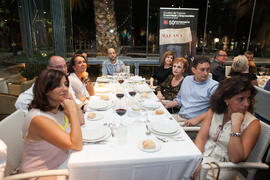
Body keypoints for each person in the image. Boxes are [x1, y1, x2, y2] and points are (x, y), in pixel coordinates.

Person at [192, 76, 260, 180]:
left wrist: (236, 126)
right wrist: (196, 162)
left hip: (224, 168)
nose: (246, 104)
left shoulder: (253, 124)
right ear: (226, 99)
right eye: (241, 99)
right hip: (202, 159)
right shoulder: (215, 111)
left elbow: (235, 158)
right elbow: (201, 138)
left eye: (248, 99)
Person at [20, 69, 83, 177]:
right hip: (41, 174)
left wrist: (71, 99)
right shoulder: (38, 119)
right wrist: (72, 111)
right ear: (45, 89)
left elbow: (81, 121)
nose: (65, 88)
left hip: (62, 164)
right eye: (58, 85)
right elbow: (76, 145)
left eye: (66, 84)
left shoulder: (58, 108)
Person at [163, 56, 219, 126]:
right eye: (202, 70)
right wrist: (168, 104)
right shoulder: (187, 80)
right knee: (155, 121)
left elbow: (217, 109)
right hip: (180, 117)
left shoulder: (214, 86)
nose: (205, 73)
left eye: (207, 70)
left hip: (196, 123)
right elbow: (180, 99)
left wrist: (198, 119)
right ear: (193, 70)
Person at [15, 56, 83, 113]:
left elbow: (73, 100)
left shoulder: (65, 81)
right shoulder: (44, 83)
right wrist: (42, 117)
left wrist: (81, 107)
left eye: (65, 66)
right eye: (59, 67)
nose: (63, 70)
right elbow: (20, 103)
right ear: (49, 68)